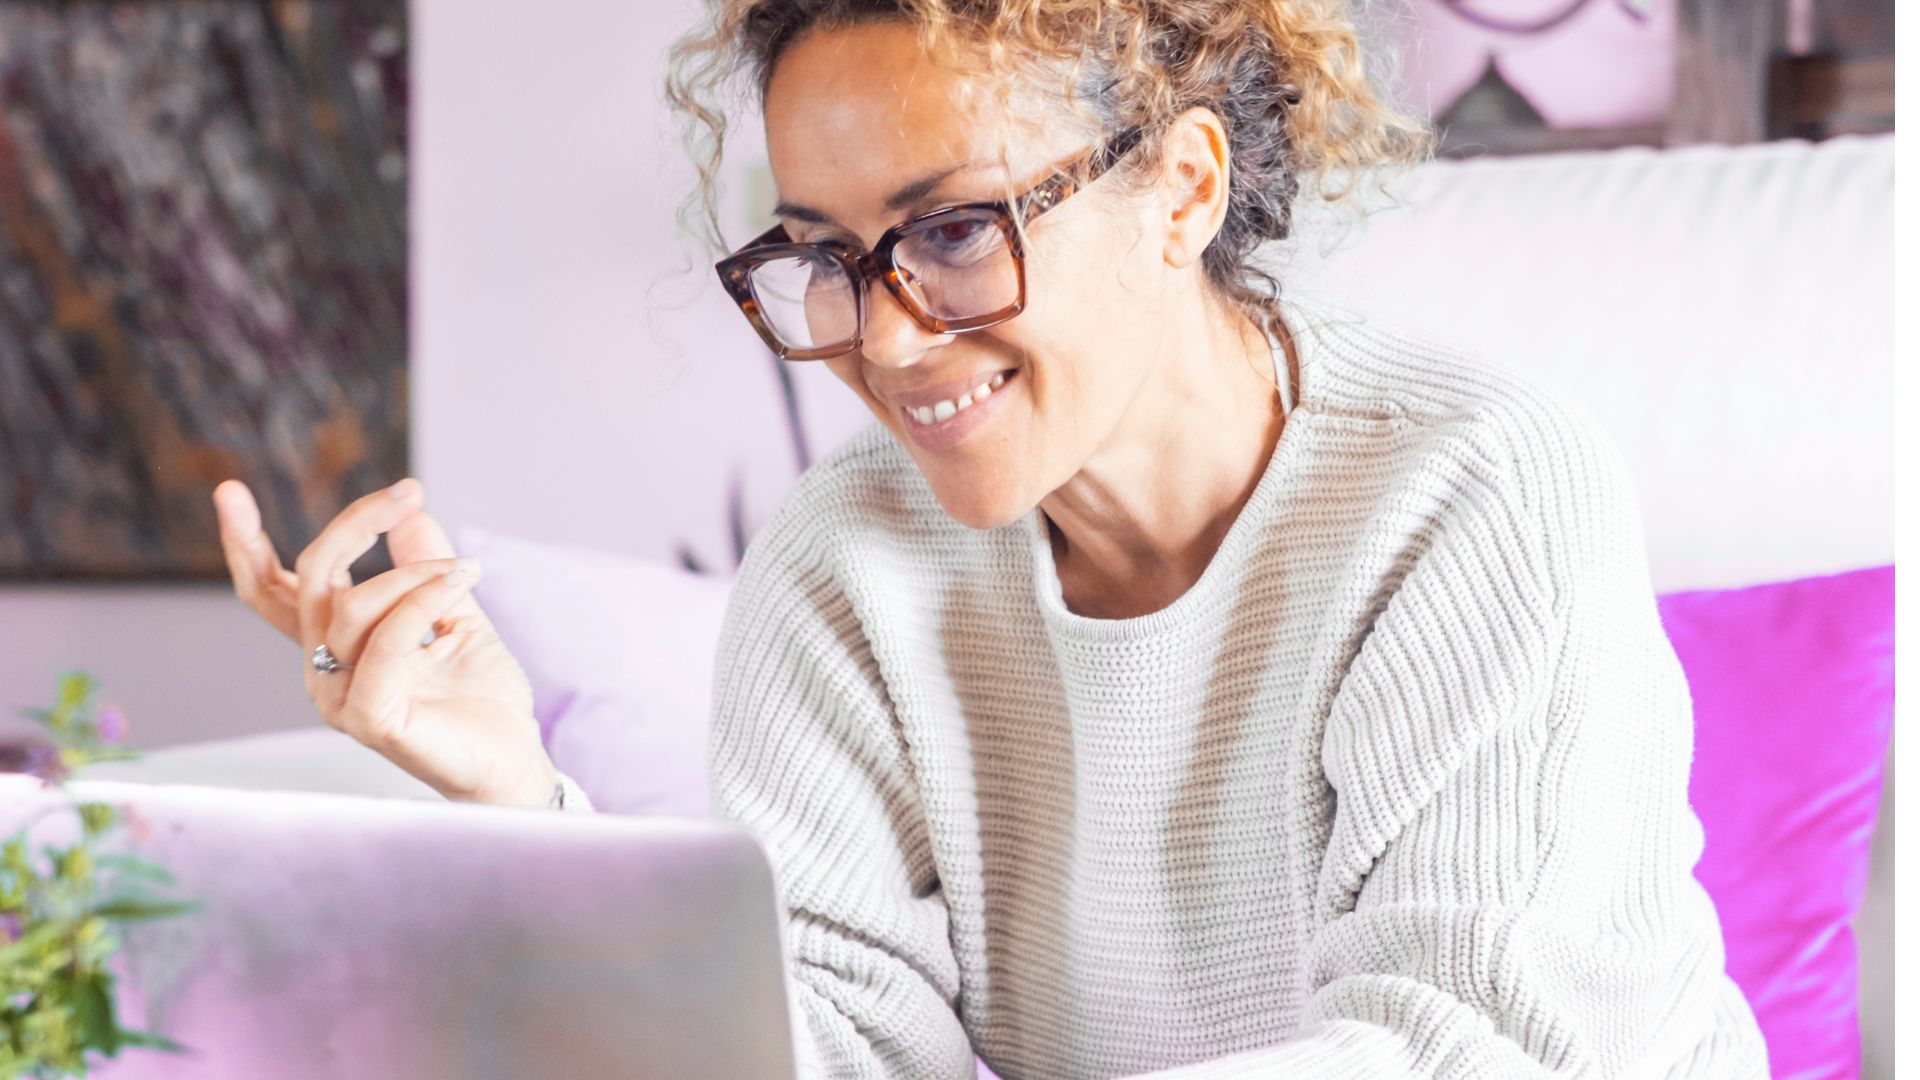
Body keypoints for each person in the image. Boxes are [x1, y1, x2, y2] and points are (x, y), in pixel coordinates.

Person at [214, 0, 1772, 1076]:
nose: (884, 344)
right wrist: (522, 809)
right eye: (823, 256)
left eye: (953, 230)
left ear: (1182, 185)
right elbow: (830, 1052)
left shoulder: (1469, 491)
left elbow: (1468, 1054)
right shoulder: (844, 572)